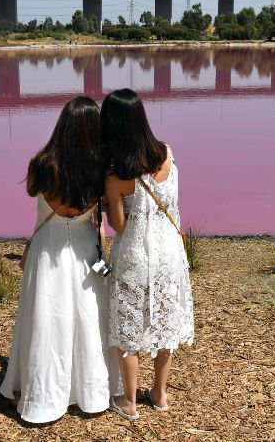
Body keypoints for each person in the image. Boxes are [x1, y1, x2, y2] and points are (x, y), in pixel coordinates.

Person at [0, 96, 122, 424]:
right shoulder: (100, 170)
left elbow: (31, 193)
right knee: (88, 321)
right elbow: (104, 218)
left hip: (47, 252)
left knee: (46, 322)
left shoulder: (41, 164)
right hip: (84, 255)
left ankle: (41, 393)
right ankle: (90, 393)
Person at [100, 88, 194, 421]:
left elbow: (119, 225)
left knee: (130, 330)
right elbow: (174, 203)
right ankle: (160, 393)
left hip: (135, 256)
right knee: (164, 323)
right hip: (170, 252)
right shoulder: (166, 154)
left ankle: (129, 400)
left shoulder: (116, 174)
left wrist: (108, 205)